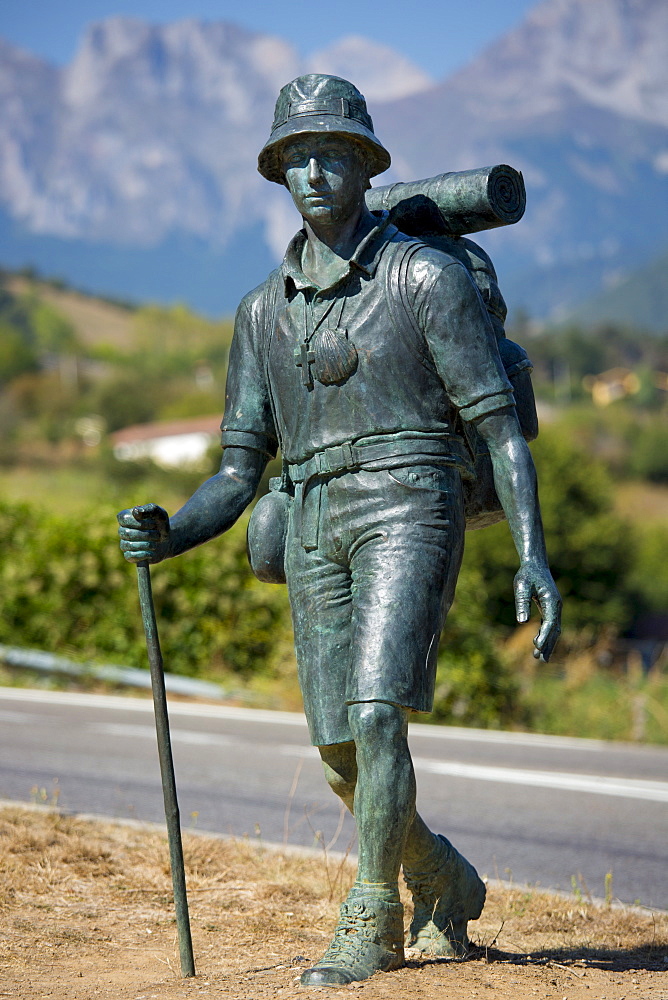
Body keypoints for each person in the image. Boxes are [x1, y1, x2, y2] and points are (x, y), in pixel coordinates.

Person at [118, 74, 561, 987]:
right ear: (278, 174)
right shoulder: (260, 311)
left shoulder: (424, 276)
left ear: (365, 166)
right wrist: (173, 534)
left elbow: (497, 430)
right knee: (335, 752)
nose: (314, 172)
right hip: (312, 512)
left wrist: (533, 556)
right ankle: (442, 878)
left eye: (333, 154)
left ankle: (373, 920)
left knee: (373, 712)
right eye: (297, 158)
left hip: (411, 500)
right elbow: (240, 472)